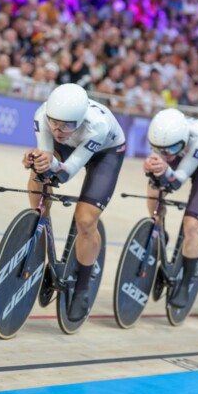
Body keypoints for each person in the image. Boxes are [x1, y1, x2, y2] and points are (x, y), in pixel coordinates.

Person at [23, 83, 126, 322]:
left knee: (86, 221)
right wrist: (37, 160)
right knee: (38, 174)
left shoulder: (96, 126)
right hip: (68, 148)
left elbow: (66, 173)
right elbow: (47, 159)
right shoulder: (42, 115)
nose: (58, 130)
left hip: (105, 154)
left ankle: (81, 287)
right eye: (55, 123)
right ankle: (39, 228)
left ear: (79, 120)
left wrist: (53, 165)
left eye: (67, 125)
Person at [143, 108, 198, 308]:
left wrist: (166, 169)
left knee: (191, 225)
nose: (163, 154)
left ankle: (185, 283)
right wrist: (152, 167)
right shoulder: (165, 138)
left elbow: (178, 180)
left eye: (167, 150)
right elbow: (164, 158)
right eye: (158, 149)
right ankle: (160, 230)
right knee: (154, 191)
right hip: (180, 153)